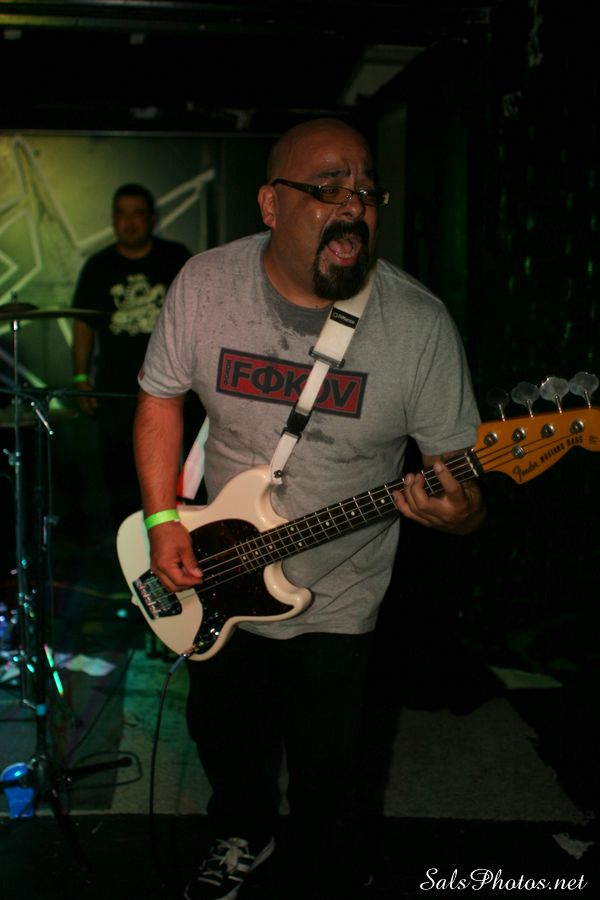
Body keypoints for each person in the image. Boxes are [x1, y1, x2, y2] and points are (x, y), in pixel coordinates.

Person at [132, 119, 486, 900]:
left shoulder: (419, 326)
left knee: (330, 765)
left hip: (339, 588)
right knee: (219, 732)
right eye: (327, 188)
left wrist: (459, 515)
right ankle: (243, 830)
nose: (352, 205)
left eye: (365, 191)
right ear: (270, 203)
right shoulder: (205, 285)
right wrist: (161, 523)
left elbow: (461, 485)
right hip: (217, 566)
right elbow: (159, 397)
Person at [71, 183, 190, 535]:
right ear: (113, 220)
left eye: (137, 213)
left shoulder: (175, 258)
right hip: (116, 390)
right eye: (121, 214)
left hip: (175, 388)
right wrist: (80, 378)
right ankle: (127, 548)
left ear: (151, 218)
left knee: (181, 476)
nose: (129, 222)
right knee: (120, 477)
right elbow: (83, 326)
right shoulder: (98, 266)